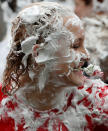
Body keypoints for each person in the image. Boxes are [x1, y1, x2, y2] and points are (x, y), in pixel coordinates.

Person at [0, 2, 108, 131]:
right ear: (39, 53)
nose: (86, 55)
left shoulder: (98, 103)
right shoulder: (4, 105)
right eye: (75, 46)